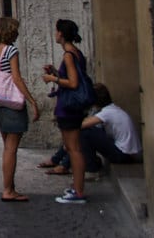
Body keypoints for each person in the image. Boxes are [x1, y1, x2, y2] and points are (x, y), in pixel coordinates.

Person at [0, 17, 40, 202]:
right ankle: (8, 189)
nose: (17, 32)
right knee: (11, 149)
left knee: (7, 148)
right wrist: (32, 100)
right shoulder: (11, 50)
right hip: (11, 103)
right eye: (15, 29)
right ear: (9, 31)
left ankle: (10, 186)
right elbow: (16, 78)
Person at [38, 83, 142, 176]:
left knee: (83, 133)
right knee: (81, 134)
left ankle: (74, 165)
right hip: (125, 152)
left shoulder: (107, 113)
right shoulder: (111, 109)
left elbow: (80, 125)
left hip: (124, 155)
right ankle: (59, 161)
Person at [41, 18, 91, 204]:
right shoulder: (76, 53)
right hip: (73, 108)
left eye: (56, 31)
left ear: (61, 34)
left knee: (74, 149)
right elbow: (72, 77)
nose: (55, 34)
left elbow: (73, 83)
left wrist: (52, 79)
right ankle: (76, 188)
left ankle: (78, 192)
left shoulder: (69, 55)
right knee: (73, 148)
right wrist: (56, 72)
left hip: (68, 108)